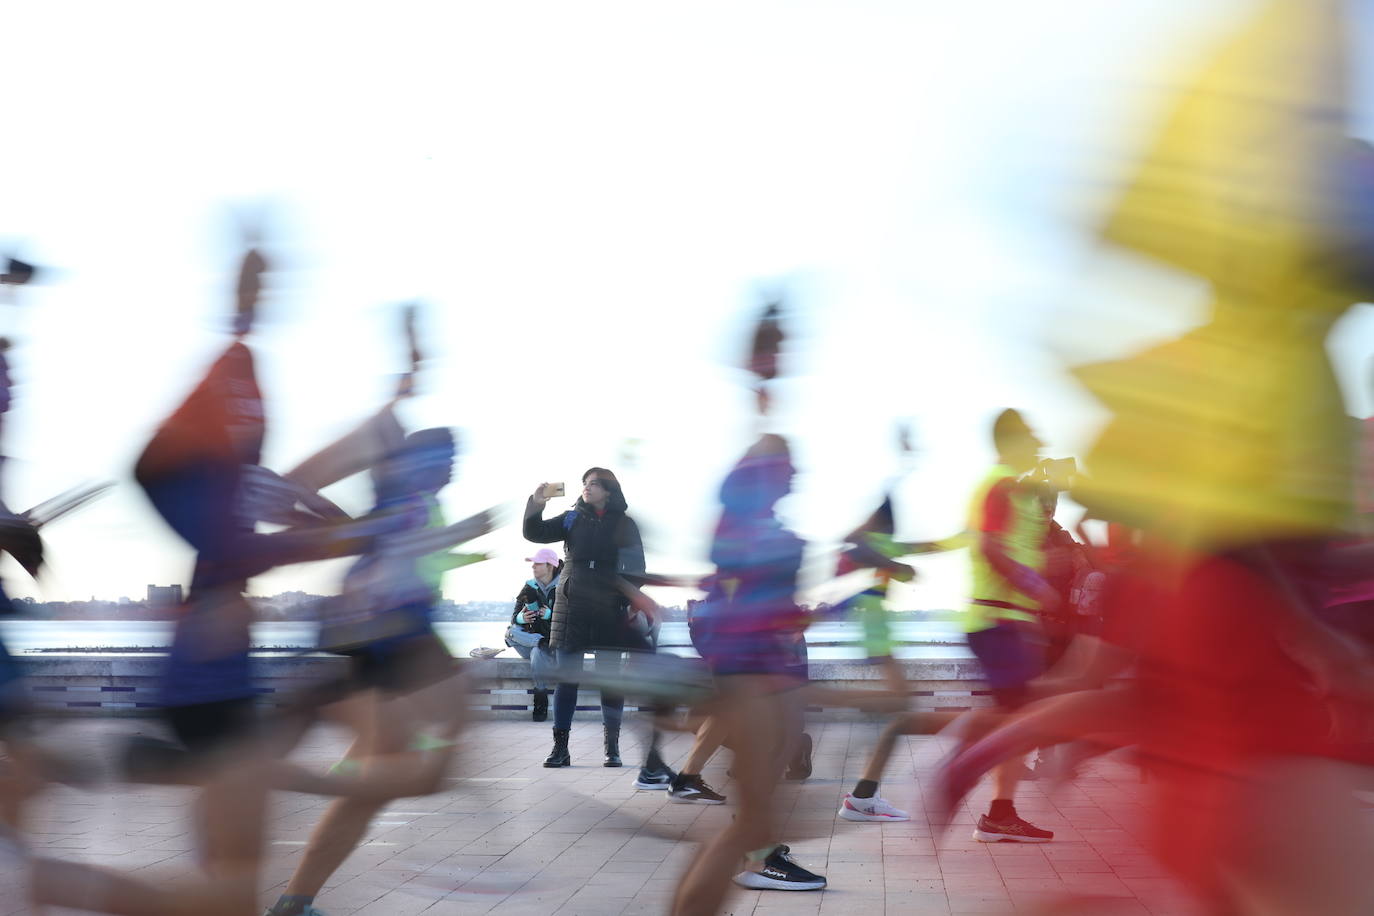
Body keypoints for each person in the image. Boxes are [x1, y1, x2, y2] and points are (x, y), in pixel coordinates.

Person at [523, 468, 673, 781]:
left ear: (608, 489)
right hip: (572, 607)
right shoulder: (571, 517)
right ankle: (560, 749)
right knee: (567, 678)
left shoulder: (625, 523)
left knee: (611, 679)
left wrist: (628, 599)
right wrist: (537, 503)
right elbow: (534, 533)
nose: (587, 489)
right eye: (585, 484)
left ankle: (612, 747)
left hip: (609, 606)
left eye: (594, 484)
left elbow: (637, 568)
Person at [508, 547, 560, 721]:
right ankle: (538, 641)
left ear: (550, 566)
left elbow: (576, 618)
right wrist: (522, 618)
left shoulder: (564, 586)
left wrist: (552, 615)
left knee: (537, 653)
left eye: (538, 563)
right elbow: (514, 618)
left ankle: (540, 697)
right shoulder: (528, 586)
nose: (533, 567)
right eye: (533, 564)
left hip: (555, 645)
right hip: (533, 640)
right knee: (510, 633)